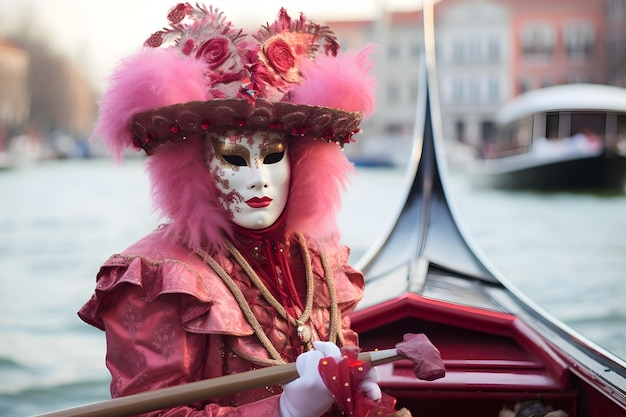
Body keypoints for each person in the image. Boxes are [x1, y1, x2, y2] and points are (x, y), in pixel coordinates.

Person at [78, 3, 411, 416]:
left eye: (273, 156)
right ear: (195, 167)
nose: (258, 178)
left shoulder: (318, 261)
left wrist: (355, 389)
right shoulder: (156, 278)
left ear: (300, 161)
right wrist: (283, 411)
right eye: (234, 159)